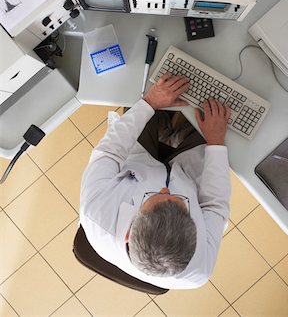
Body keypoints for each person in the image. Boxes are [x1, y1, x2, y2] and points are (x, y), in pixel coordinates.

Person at [80, 74, 231, 289]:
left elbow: (109, 152)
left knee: (145, 89)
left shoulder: (95, 211)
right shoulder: (199, 268)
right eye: (179, 200)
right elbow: (215, 206)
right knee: (221, 122)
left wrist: (149, 103)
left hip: (137, 159)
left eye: (152, 197)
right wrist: (216, 142)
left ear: (127, 232)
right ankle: (181, 133)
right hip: (188, 177)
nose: (165, 189)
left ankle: (166, 120)